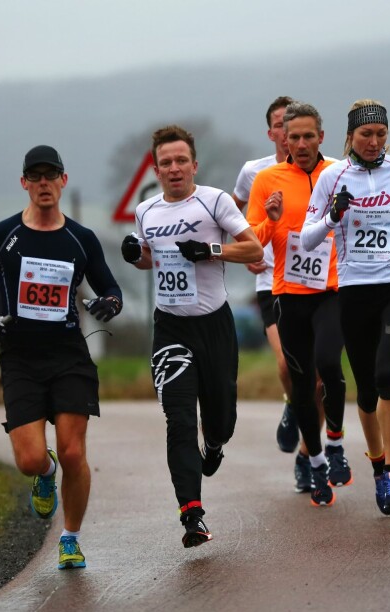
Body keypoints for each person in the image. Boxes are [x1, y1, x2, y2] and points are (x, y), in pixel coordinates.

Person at [0, 145, 123, 570]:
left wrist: (109, 303)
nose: (44, 183)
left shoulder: (81, 239)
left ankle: (70, 539)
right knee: (30, 459)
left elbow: (111, 288)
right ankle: (45, 474)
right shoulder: (3, 235)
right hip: (20, 357)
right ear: (24, 183)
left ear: (63, 181)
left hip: (69, 355)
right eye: (35, 176)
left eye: (51, 175)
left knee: (73, 452)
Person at [121, 125, 263, 547]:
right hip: (171, 327)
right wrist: (136, 255)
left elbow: (254, 249)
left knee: (221, 421)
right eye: (166, 162)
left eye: (181, 160)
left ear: (194, 165)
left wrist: (211, 250)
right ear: (156, 170)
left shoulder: (214, 201)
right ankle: (192, 514)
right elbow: (149, 259)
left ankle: (214, 445)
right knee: (180, 419)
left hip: (214, 325)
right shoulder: (146, 211)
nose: (174, 168)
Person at [301, 99, 390, 515]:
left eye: (381, 134)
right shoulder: (332, 176)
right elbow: (307, 239)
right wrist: (332, 217)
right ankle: (377, 467)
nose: (374, 142)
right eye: (366, 134)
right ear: (350, 136)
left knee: (388, 373)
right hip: (354, 293)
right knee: (367, 391)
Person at [246, 101, 352, 507]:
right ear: (283, 140)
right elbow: (251, 239)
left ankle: (336, 441)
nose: (303, 144)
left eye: (310, 136)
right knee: (302, 384)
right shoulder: (266, 180)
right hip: (288, 294)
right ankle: (317, 463)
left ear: (322, 137)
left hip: (333, 290)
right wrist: (271, 218)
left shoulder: (340, 173)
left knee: (328, 364)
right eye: (295, 137)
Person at [231, 96, 300, 453]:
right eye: (279, 124)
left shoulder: (324, 170)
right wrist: (246, 249)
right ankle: (294, 405)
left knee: (319, 374)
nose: (286, 131)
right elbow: (230, 211)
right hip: (270, 280)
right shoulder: (254, 172)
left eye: (292, 123)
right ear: (271, 133)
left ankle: (318, 445)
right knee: (287, 365)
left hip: (312, 280)